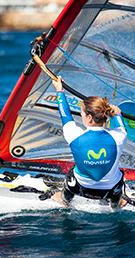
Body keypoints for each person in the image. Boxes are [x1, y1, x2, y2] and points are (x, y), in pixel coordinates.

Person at [50, 77, 127, 209]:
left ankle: (64, 199)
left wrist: (59, 91)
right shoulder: (119, 136)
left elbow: (65, 115)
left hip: (80, 188)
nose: (82, 116)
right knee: (119, 178)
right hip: (110, 191)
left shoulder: (74, 134)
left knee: (72, 173)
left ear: (89, 118)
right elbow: (119, 123)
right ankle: (116, 203)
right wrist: (117, 114)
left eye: (82, 114)